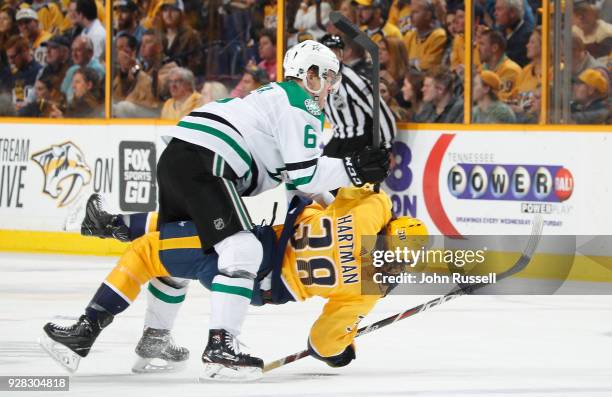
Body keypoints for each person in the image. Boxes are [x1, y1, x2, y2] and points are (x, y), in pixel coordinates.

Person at [141, 40, 389, 379]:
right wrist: (354, 169)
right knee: (243, 249)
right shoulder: (303, 104)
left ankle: (152, 338)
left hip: (179, 154)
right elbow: (307, 173)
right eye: (327, 76)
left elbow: (299, 182)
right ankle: (221, 349)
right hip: (208, 160)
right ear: (309, 73)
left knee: (172, 248)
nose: (330, 85)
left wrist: (337, 205)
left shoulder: (276, 97)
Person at [41, 187, 427, 374]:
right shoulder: (366, 293)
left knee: (149, 252)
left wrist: (374, 194)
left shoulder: (373, 213)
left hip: (249, 251)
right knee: (182, 236)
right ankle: (115, 228)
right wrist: (343, 349)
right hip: (259, 286)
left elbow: (335, 194)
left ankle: (86, 329)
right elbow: (322, 344)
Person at [319, 34, 396, 159]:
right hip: (338, 139)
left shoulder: (354, 81)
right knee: (321, 173)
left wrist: (388, 147)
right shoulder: (321, 81)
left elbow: (381, 112)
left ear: (341, 55)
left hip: (359, 142)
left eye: (335, 52)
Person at [112, 32, 160, 118]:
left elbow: (153, 88)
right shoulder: (137, 66)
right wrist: (124, 71)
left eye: (123, 48)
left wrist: (133, 67)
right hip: (134, 108)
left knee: (123, 107)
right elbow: (118, 94)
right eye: (117, 48)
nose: (143, 45)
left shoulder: (167, 65)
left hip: (155, 111)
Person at [402, 0, 447, 71]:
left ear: (428, 15)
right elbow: (400, 60)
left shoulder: (438, 35)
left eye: (415, 12)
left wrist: (409, 63)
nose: (410, 16)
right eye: (410, 12)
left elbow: (428, 65)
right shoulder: (409, 35)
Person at [478, 29, 521, 103]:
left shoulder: (510, 70)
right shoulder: (482, 68)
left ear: (494, 48)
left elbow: (500, 102)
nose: (478, 48)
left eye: (482, 44)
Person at [61, 36, 104, 102]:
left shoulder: (97, 70)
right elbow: (62, 93)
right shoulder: (72, 70)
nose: (74, 54)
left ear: (90, 53)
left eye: (78, 50)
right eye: (72, 50)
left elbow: (89, 100)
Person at [493, 0, 532, 67]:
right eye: (495, 9)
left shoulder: (527, 36)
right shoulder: (499, 30)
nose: (495, 13)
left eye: (499, 9)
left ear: (512, 13)